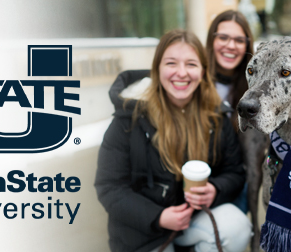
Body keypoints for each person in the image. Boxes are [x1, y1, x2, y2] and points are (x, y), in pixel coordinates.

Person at [95, 29, 251, 252]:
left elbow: (235, 172)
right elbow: (109, 187)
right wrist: (157, 217)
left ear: (203, 71)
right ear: (157, 69)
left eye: (191, 64)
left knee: (237, 226)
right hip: (143, 233)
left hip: (194, 222)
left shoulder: (216, 116)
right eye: (171, 63)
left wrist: (215, 189)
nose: (181, 73)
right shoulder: (129, 117)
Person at [205, 10, 255, 215]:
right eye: (223, 37)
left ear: (247, 45)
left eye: (239, 40)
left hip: (235, 182)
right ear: (212, 40)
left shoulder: (254, 89)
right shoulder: (193, 81)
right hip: (197, 177)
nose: (231, 46)